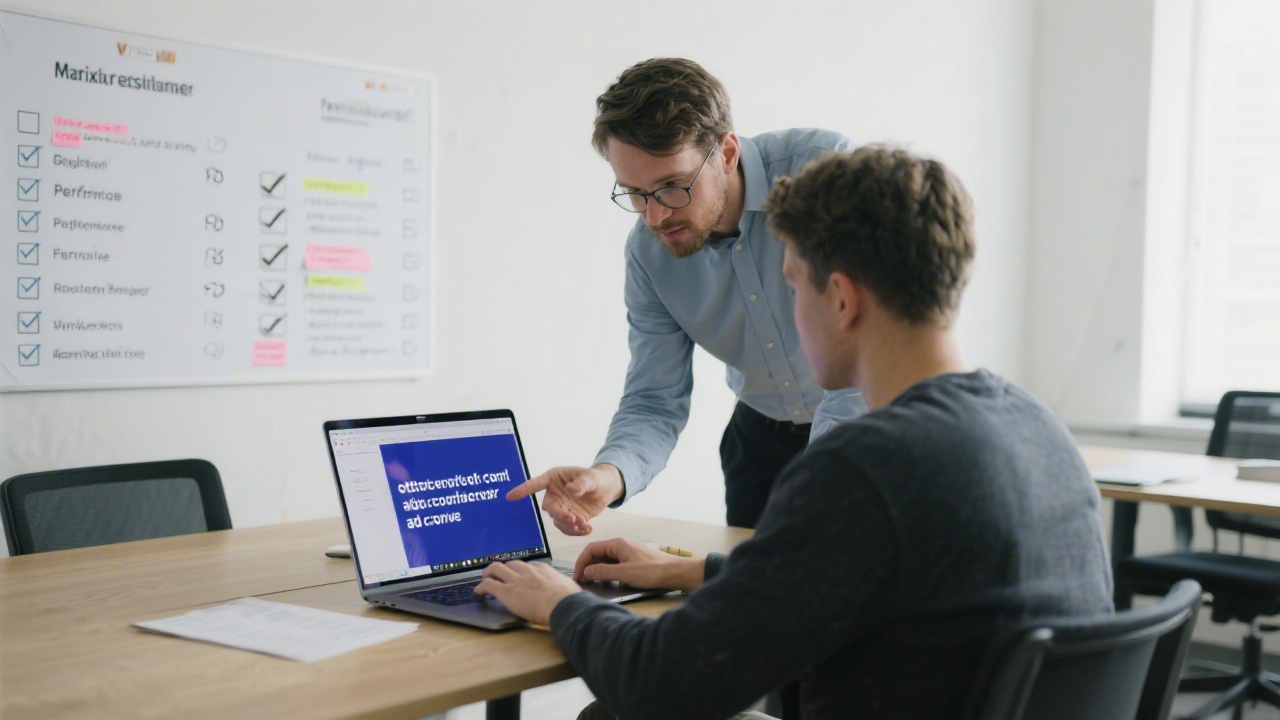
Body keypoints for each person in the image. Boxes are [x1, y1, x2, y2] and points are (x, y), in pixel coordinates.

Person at [475, 146, 1115, 719]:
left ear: (841, 299)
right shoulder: (1038, 429)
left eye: (792, 289)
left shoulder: (864, 468)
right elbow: (857, 576)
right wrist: (692, 571)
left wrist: (559, 600)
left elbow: (660, 684)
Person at [507, 57, 866, 535]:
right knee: (753, 602)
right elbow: (655, 397)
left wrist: (820, 475)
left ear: (728, 152)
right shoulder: (648, 256)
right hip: (759, 444)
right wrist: (609, 475)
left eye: (672, 186)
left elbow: (868, 351)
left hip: (869, 425)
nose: (655, 217)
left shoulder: (827, 174)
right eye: (634, 192)